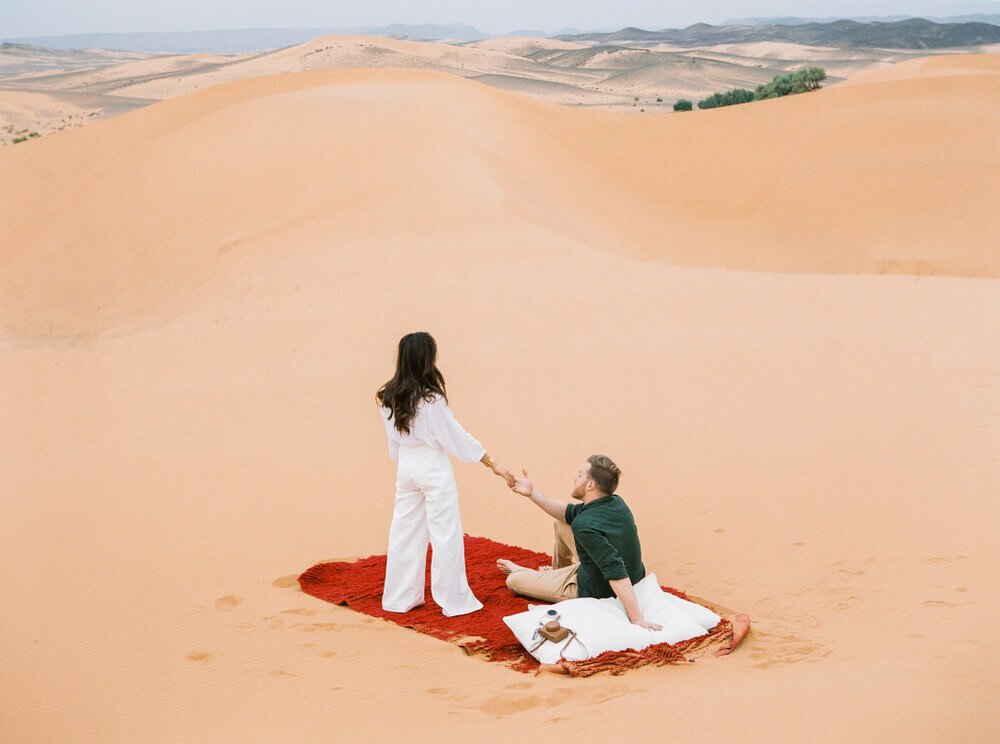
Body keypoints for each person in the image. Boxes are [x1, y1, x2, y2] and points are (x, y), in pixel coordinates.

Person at [377, 331, 513, 617]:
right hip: (432, 467)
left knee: (404, 532)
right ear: (427, 358)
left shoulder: (388, 397)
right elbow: (455, 436)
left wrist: (405, 467)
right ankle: (454, 600)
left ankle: (399, 598)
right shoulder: (430, 400)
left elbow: (393, 443)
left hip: (406, 467)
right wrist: (490, 462)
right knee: (445, 533)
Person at [497, 455, 662, 631]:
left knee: (513, 580)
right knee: (561, 524)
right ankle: (556, 574)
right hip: (616, 571)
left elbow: (615, 570)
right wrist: (532, 493)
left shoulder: (584, 525)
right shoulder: (615, 502)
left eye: (580, 475)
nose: (574, 478)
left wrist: (637, 619)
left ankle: (528, 574)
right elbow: (566, 513)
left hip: (595, 588)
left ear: (590, 485)